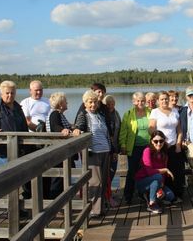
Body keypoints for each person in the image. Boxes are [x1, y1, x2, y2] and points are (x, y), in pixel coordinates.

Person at [75, 90, 112, 218]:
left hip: (105, 151)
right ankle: (93, 210)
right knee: (95, 182)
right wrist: (77, 130)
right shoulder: (83, 115)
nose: (93, 105)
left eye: (95, 102)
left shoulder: (100, 115)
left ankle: (99, 209)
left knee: (103, 181)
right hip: (93, 152)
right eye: (90, 102)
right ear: (85, 103)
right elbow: (79, 125)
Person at [148, 91, 184, 201]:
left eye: (166, 99)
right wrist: (159, 140)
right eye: (162, 99)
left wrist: (178, 144)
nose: (164, 101)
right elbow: (151, 129)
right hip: (161, 147)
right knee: (164, 172)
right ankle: (165, 197)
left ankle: (177, 195)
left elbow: (179, 130)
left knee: (176, 171)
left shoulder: (175, 111)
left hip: (174, 146)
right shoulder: (155, 112)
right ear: (158, 101)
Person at [46, 92, 80, 199]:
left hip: (62, 151)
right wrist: (63, 130)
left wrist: (73, 128)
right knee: (58, 179)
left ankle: (61, 202)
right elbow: (55, 126)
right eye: (65, 101)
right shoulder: (55, 114)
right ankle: (55, 204)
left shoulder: (59, 114)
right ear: (60, 104)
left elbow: (66, 125)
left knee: (62, 178)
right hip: (58, 152)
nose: (67, 102)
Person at [119, 92, 151, 203]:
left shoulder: (150, 112)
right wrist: (123, 145)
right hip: (134, 147)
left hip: (148, 147)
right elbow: (123, 131)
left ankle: (144, 194)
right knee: (132, 172)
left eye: (142, 100)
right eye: (138, 100)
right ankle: (128, 196)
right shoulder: (128, 114)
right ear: (133, 102)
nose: (140, 103)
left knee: (146, 171)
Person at [0, 80, 30, 159]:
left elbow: (25, 127)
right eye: (7, 93)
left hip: (20, 149)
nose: (10, 95)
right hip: (3, 150)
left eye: (12, 93)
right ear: (1, 94)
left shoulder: (18, 108)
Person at [135, 130, 176, 214]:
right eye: (155, 141)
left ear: (164, 141)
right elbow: (149, 172)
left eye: (161, 141)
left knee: (170, 196)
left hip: (157, 181)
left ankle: (149, 196)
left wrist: (160, 188)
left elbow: (163, 176)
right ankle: (152, 204)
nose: (158, 143)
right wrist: (165, 170)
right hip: (143, 181)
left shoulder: (164, 154)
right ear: (151, 141)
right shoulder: (147, 151)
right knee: (157, 177)